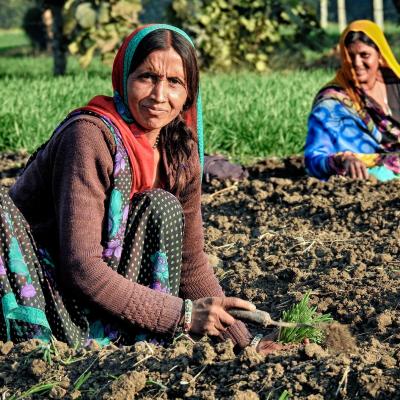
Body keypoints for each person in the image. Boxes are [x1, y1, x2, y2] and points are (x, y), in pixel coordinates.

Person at [0, 24, 277, 354]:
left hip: (107, 298)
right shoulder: (90, 137)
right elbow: (81, 267)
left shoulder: (180, 152)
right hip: (42, 289)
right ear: (123, 79)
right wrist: (182, 315)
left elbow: (191, 263)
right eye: (147, 77)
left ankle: (134, 344)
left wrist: (246, 342)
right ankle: (34, 348)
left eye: (174, 82)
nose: (160, 96)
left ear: (190, 93)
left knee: (161, 206)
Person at [305, 20, 400, 181]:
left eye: (365, 55)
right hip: (366, 175)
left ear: (380, 55)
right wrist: (343, 159)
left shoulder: (396, 84)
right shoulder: (331, 102)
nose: (356, 63)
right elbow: (313, 158)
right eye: (350, 55)